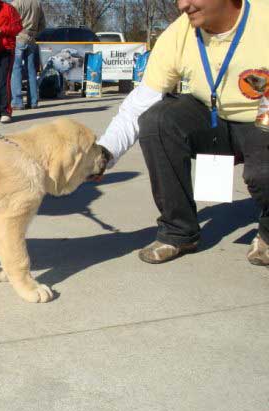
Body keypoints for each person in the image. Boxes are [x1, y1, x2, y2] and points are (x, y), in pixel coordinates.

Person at [97, 0, 269, 265]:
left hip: (261, 120)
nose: (182, 5)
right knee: (158, 121)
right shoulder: (179, 34)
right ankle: (179, 231)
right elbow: (138, 105)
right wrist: (103, 154)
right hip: (211, 118)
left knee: (262, 172)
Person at [10, 0, 45, 110]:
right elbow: (43, 24)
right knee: (31, 70)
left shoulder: (16, 4)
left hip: (18, 37)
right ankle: (33, 101)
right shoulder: (37, 3)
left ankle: (17, 102)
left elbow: (10, 23)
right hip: (32, 39)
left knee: (16, 70)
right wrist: (33, 33)